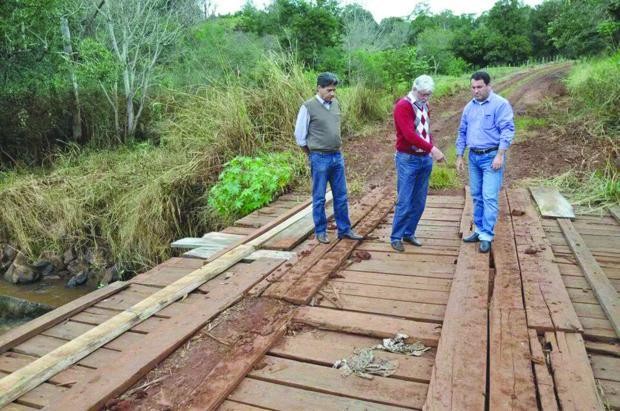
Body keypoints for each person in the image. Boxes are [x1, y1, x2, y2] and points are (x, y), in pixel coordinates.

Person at [294, 72, 363, 244]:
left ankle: (344, 230)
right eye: (329, 90)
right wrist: (311, 154)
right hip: (319, 157)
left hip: (336, 156)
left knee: (341, 195)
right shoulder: (308, 107)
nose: (332, 93)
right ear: (319, 88)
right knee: (319, 197)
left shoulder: (335, 104)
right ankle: (321, 231)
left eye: (334, 90)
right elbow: (300, 136)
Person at [455, 71, 515, 253]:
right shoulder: (469, 108)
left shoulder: (500, 105)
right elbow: (462, 132)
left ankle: (487, 236)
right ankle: (479, 230)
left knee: (489, 196)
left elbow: (507, 130)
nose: (476, 91)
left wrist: (500, 154)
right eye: (473, 87)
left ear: (489, 86)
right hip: (474, 157)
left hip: (491, 157)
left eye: (479, 87)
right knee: (477, 196)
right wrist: (459, 155)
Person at [390, 75, 445, 252]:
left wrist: (429, 147)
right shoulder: (403, 106)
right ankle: (396, 236)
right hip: (408, 158)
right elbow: (409, 135)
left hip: (424, 159)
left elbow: (425, 131)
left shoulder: (424, 105)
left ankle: (409, 232)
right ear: (414, 89)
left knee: (419, 201)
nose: (425, 97)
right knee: (405, 200)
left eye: (428, 94)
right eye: (422, 94)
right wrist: (433, 149)